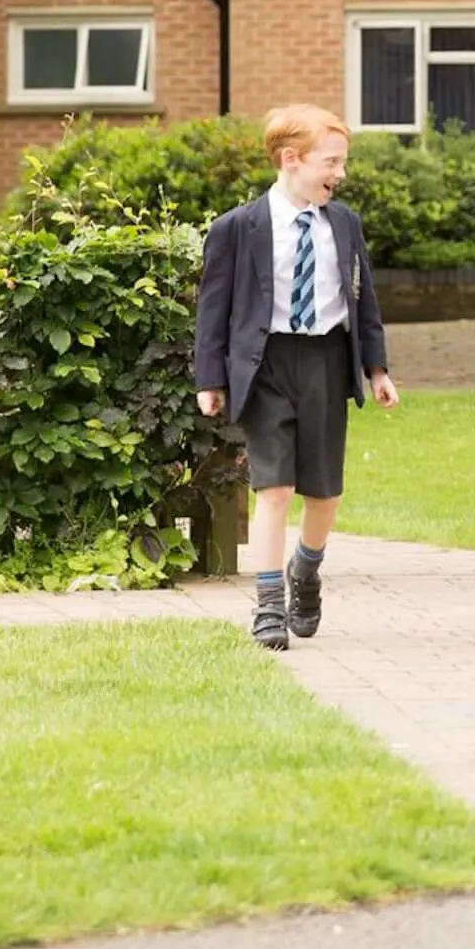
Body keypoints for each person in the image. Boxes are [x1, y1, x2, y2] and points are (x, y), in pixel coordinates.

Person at [194, 104, 398, 649]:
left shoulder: (345, 224)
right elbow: (213, 311)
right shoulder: (238, 228)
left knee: (323, 492)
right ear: (291, 159)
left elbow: (364, 301)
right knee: (274, 487)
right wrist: (210, 380)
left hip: (327, 362)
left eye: (343, 163)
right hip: (265, 366)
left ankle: (305, 569)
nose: (340, 173)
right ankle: (268, 605)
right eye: (331, 162)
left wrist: (375, 367)